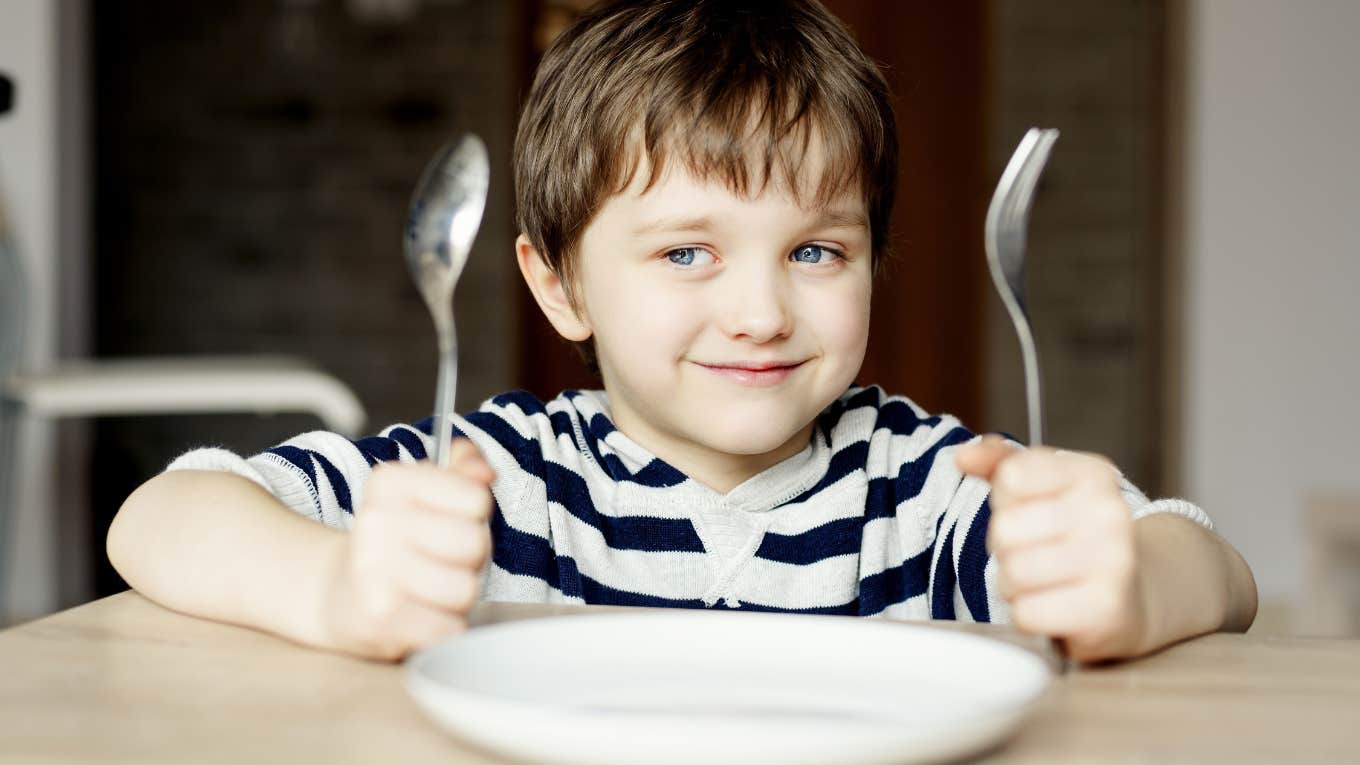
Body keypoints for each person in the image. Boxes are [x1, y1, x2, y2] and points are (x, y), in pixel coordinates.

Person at [107, 0, 1257, 663]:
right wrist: (334, 592)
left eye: (816, 251)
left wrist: (1131, 590)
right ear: (559, 287)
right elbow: (161, 514)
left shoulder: (924, 488)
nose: (759, 311)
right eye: (684, 252)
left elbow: (1215, 566)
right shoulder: (498, 477)